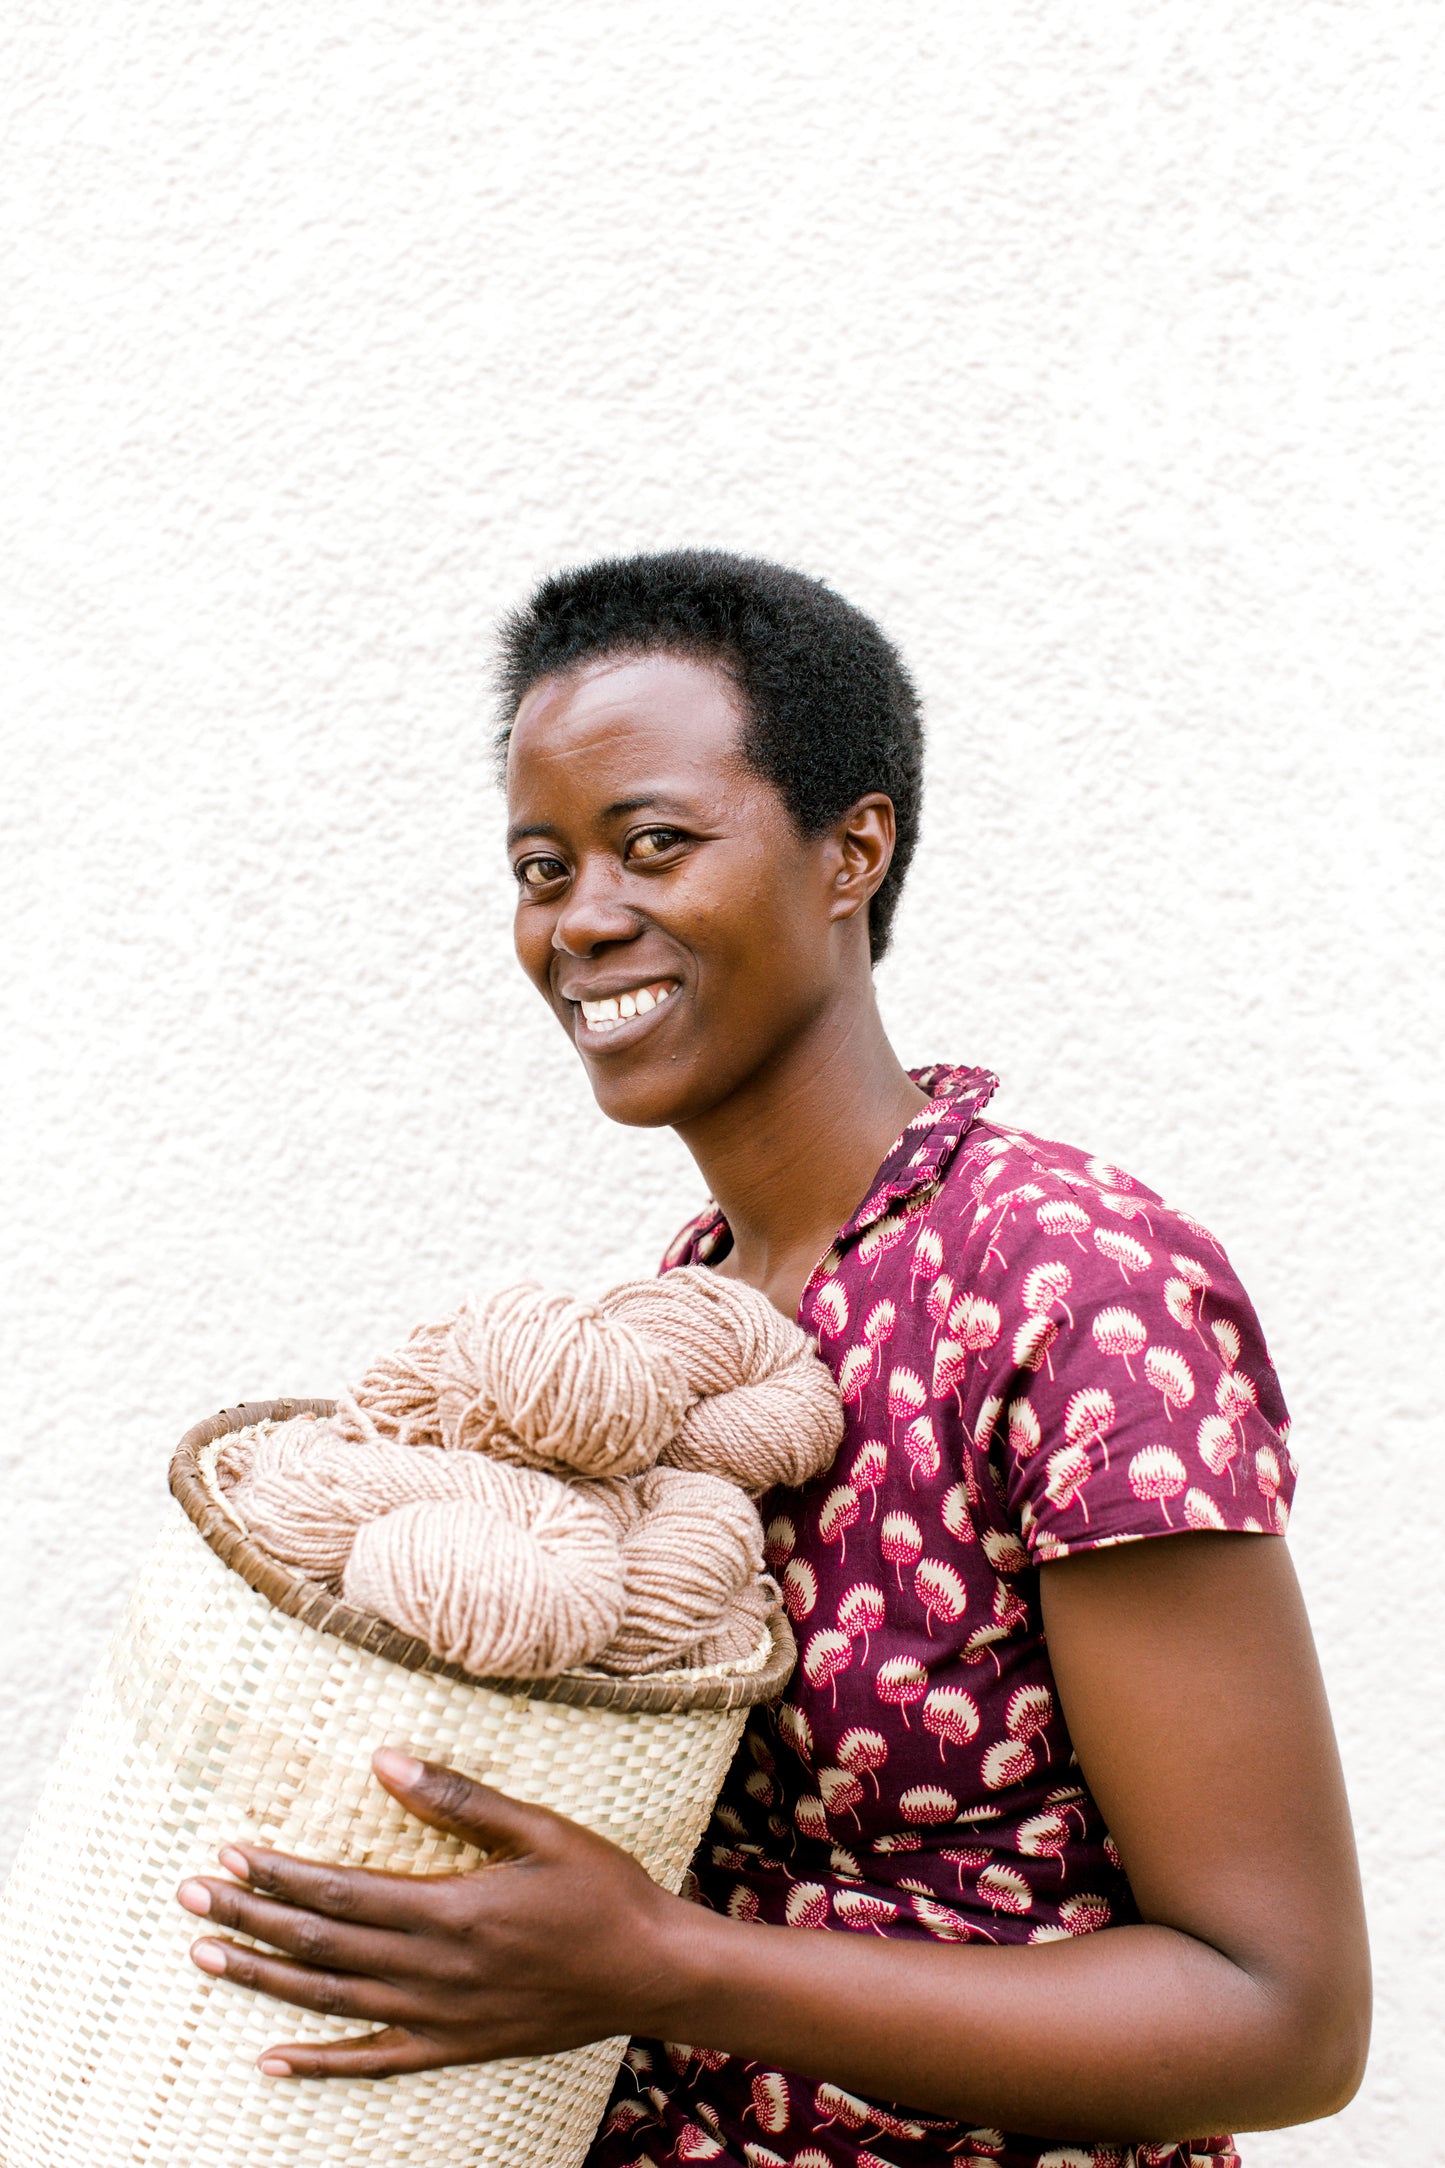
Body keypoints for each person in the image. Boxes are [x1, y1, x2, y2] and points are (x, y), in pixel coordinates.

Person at [175, 550, 1370, 2168]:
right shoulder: (691, 1323)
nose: (583, 920)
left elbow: (1278, 2020)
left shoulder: (1065, 1286)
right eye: (542, 867)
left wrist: (662, 1966)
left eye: (653, 843)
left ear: (848, 853)